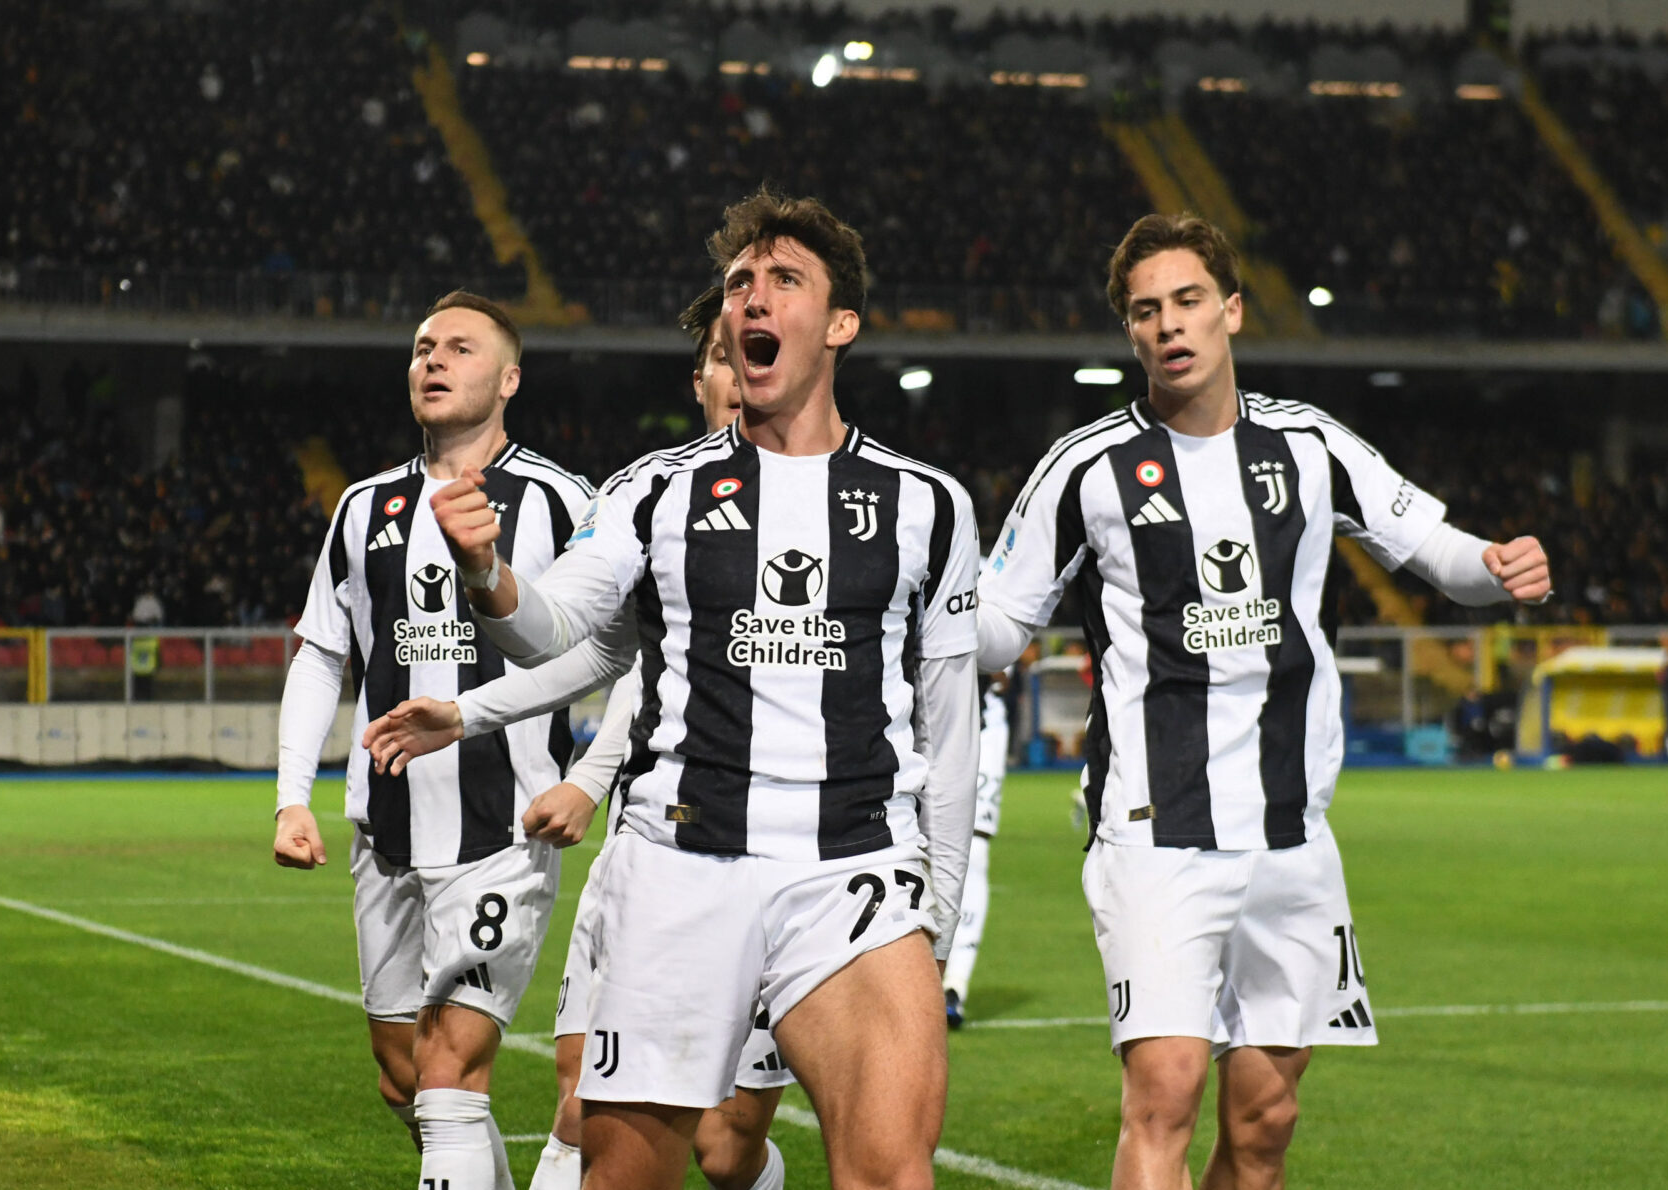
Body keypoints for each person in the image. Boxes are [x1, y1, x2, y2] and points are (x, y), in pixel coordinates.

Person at [399, 192, 980, 1190]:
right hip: (681, 861)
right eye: (738, 282)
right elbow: (550, 627)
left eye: (782, 278)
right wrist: (489, 574)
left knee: (890, 1169)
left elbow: (950, 719)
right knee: (625, 1173)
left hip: (856, 869)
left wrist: (941, 913)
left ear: (839, 323)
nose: (751, 296)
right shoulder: (653, 487)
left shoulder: (924, 502)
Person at [970, 213, 1551, 1190]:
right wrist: (901, 600)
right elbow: (995, 625)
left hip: (1292, 832)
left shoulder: (1310, 445)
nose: (1170, 326)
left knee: (1265, 1123)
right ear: (1130, 333)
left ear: (1231, 310)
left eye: (1188, 301)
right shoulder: (1083, 466)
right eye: (1147, 311)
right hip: (1154, 829)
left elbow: (1433, 546)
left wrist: (1494, 567)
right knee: (1163, 1089)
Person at [372, 286, 795, 1190]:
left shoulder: (853, 504)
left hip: (794, 861)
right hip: (651, 849)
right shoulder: (654, 498)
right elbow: (602, 652)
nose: (736, 372)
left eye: (749, 353)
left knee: (723, 1151)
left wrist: (582, 777)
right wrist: (473, 703)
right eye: (721, 356)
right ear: (700, 377)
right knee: (581, 1098)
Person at [269, 290, 594, 1190]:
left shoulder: (562, 503)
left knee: (449, 1071)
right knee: (405, 1076)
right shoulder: (362, 506)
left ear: (510, 378)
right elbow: (320, 654)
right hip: (388, 832)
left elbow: (625, 651)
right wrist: (293, 795)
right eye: (421, 347)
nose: (433, 360)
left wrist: (591, 778)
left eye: (459, 347)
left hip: (503, 834)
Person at [943, 669, 1011, 1029]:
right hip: (918, 711)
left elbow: (1009, 657)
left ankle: (954, 987)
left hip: (982, 720)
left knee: (975, 850)